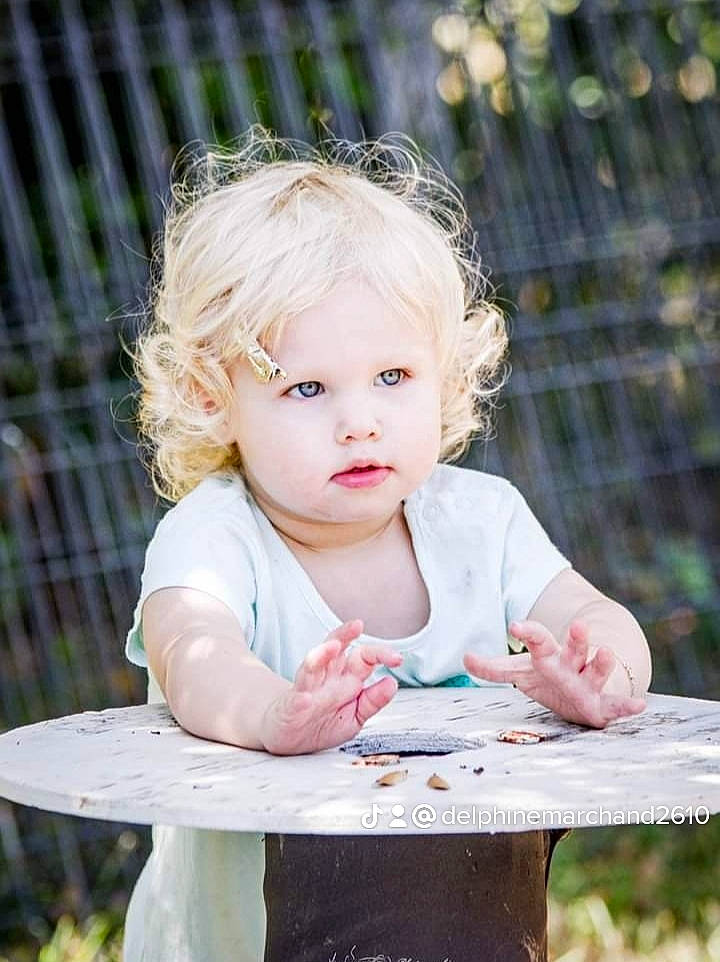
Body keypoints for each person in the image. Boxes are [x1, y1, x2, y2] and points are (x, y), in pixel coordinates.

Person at [121, 125, 652, 962]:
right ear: (212, 396)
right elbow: (194, 655)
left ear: (445, 373)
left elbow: (595, 616)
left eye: (393, 377)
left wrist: (604, 676)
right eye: (307, 388)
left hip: (470, 925)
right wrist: (273, 714)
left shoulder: (481, 520)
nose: (360, 421)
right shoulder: (214, 537)